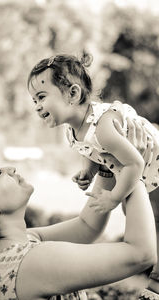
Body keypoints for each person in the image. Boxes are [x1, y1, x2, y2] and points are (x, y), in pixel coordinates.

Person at [0, 124, 157, 300]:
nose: (10, 168)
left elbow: (87, 226)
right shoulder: (31, 263)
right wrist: (131, 166)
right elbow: (141, 254)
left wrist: (107, 162)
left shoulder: (3, 250)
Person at [28, 53, 159, 299]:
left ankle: (155, 287)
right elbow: (91, 148)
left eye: (42, 97)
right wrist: (88, 170)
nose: (36, 106)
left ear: (73, 94)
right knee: (138, 214)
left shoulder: (105, 127)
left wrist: (114, 197)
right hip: (138, 169)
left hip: (153, 163)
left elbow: (135, 162)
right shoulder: (73, 131)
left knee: (152, 220)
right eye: (34, 99)